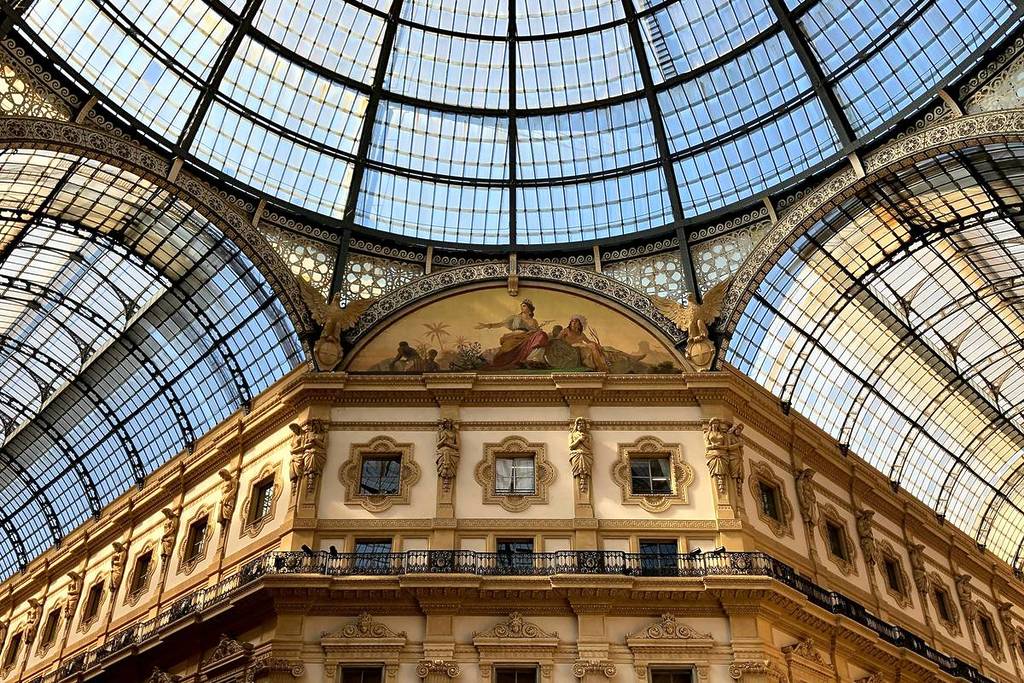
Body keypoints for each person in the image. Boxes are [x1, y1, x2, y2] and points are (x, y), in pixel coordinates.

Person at [476, 299, 550, 370]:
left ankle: (533, 359)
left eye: (524, 306)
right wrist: (487, 325)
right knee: (505, 350)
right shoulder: (515, 318)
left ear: (529, 308)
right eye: (521, 305)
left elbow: (535, 331)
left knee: (542, 334)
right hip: (515, 337)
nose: (521, 307)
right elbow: (500, 324)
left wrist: (535, 331)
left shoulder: (534, 321)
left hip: (528, 338)